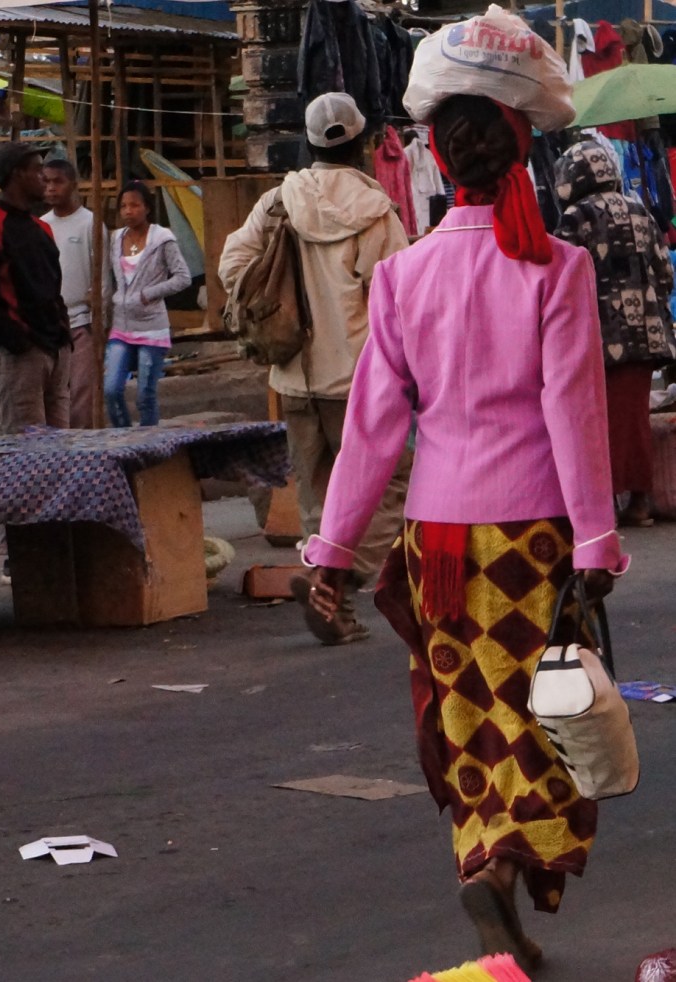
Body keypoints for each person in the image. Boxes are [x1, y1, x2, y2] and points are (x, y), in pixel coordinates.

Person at [303, 94, 628, 970]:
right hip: (531, 541)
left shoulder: (405, 273)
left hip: (436, 544)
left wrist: (332, 550)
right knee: (543, 716)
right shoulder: (556, 266)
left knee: (469, 715)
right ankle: (504, 870)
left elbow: (372, 427)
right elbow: (572, 409)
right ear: (518, 156)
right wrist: (596, 539)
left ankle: (488, 873)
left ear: (439, 164)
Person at [218, 91, 411, 645]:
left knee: (320, 497)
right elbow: (398, 298)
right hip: (360, 379)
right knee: (391, 483)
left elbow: (232, 265)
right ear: (362, 142)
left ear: (307, 143)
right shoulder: (376, 212)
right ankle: (338, 582)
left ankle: (332, 597)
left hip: (293, 376)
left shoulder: (279, 201)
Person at [553, 140, 676, 527]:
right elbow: (666, 274)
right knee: (633, 418)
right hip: (647, 336)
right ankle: (637, 500)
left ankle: (607, 502)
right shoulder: (641, 210)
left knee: (596, 420)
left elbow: (561, 279)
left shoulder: (576, 217)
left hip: (598, 338)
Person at [0, 141, 72, 434]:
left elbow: (53, 287)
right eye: (37, 170)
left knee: (64, 446)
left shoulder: (42, 228)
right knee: (26, 448)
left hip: (55, 349)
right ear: (16, 174)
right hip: (23, 355)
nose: (44, 178)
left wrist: (64, 336)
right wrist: (14, 343)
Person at [103, 180, 190, 428]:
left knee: (145, 396)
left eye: (134, 205)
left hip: (152, 327)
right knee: (111, 389)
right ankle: (123, 437)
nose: (128, 211)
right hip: (121, 325)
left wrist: (149, 293)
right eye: (123, 206)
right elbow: (108, 278)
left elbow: (183, 277)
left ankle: (149, 442)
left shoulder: (162, 239)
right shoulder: (116, 239)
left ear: (147, 208)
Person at [42, 158, 109, 429]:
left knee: (82, 391)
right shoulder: (42, 225)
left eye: (58, 181)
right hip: (51, 322)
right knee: (54, 392)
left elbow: (102, 276)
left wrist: (100, 321)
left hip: (82, 321)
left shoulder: (90, 224)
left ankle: (83, 444)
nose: (51, 188)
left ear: (73, 184)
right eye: (46, 181)